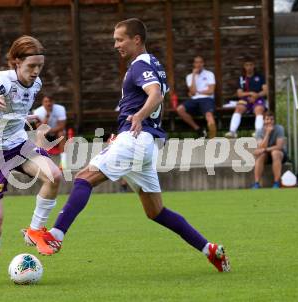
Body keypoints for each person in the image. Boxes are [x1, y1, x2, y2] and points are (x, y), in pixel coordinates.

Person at [29, 18, 230, 273]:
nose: (116, 45)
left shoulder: (140, 64)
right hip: (144, 142)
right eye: (115, 40)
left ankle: (56, 234)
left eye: (120, 39)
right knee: (155, 211)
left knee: (83, 178)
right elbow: (155, 96)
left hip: (137, 139)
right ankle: (210, 249)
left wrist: (138, 117)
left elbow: (155, 94)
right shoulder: (154, 63)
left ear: (136, 39)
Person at [0, 36, 63, 284]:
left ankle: (35, 229)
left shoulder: (36, 84)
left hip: (18, 145)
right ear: (16, 62)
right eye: (31, 66)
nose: (35, 72)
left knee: (54, 176)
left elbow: (19, 110)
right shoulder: (4, 79)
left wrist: (25, 119)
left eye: (39, 66)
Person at [225, 58, 267, 138]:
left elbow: (265, 91)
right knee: (239, 108)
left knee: (259, 109)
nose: (249, 67)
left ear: (254, 66)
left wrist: (257, 95)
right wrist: (250, 93)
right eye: (247, 65)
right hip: (245, 99)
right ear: (244, 67)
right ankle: (232, 131)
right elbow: (239, 94)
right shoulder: (242, 78)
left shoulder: (260, 77)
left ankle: (258, 132)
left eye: (251, 65)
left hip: (257, 98)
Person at [176, 56, 217, 138]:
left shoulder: (209, 74)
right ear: (194, 64)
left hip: (207, 99)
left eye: (200, 62)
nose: (199, 64)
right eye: (196, 62)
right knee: (180, 109)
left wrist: (199, 92)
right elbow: (193, 92)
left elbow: (211, 91)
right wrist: (194, 75)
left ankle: (213, 138)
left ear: (203, 63)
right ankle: (198, 129)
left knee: (209, 115)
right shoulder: (190, 76)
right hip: (194, 99)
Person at [252, 111, 287, 189]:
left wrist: (265, 149)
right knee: (261, 155)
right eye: (267, 119)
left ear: (274, 121)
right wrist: (267, 133)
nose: (269, 121)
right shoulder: (259, 131)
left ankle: (276, 183)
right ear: (264, 121)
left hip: (279, 155)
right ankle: (257, 183)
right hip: (266, 155)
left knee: (275, 153)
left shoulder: (279, 129)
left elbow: (279, 146)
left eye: (271, 119)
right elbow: (261, 147)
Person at [33, 95, 67, 168]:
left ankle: (63, 162)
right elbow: (39, 128)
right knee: (40, 134)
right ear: (42, 103)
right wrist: (47, 117)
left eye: (50, 101)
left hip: (56, 133)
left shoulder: (60, 109)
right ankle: (41, 159)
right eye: (46, 101)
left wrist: (49, 130)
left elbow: (62, 126)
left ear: (53, 102)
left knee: (62, 133)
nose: (48, 103)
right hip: (45, 134)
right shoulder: (37, 112)